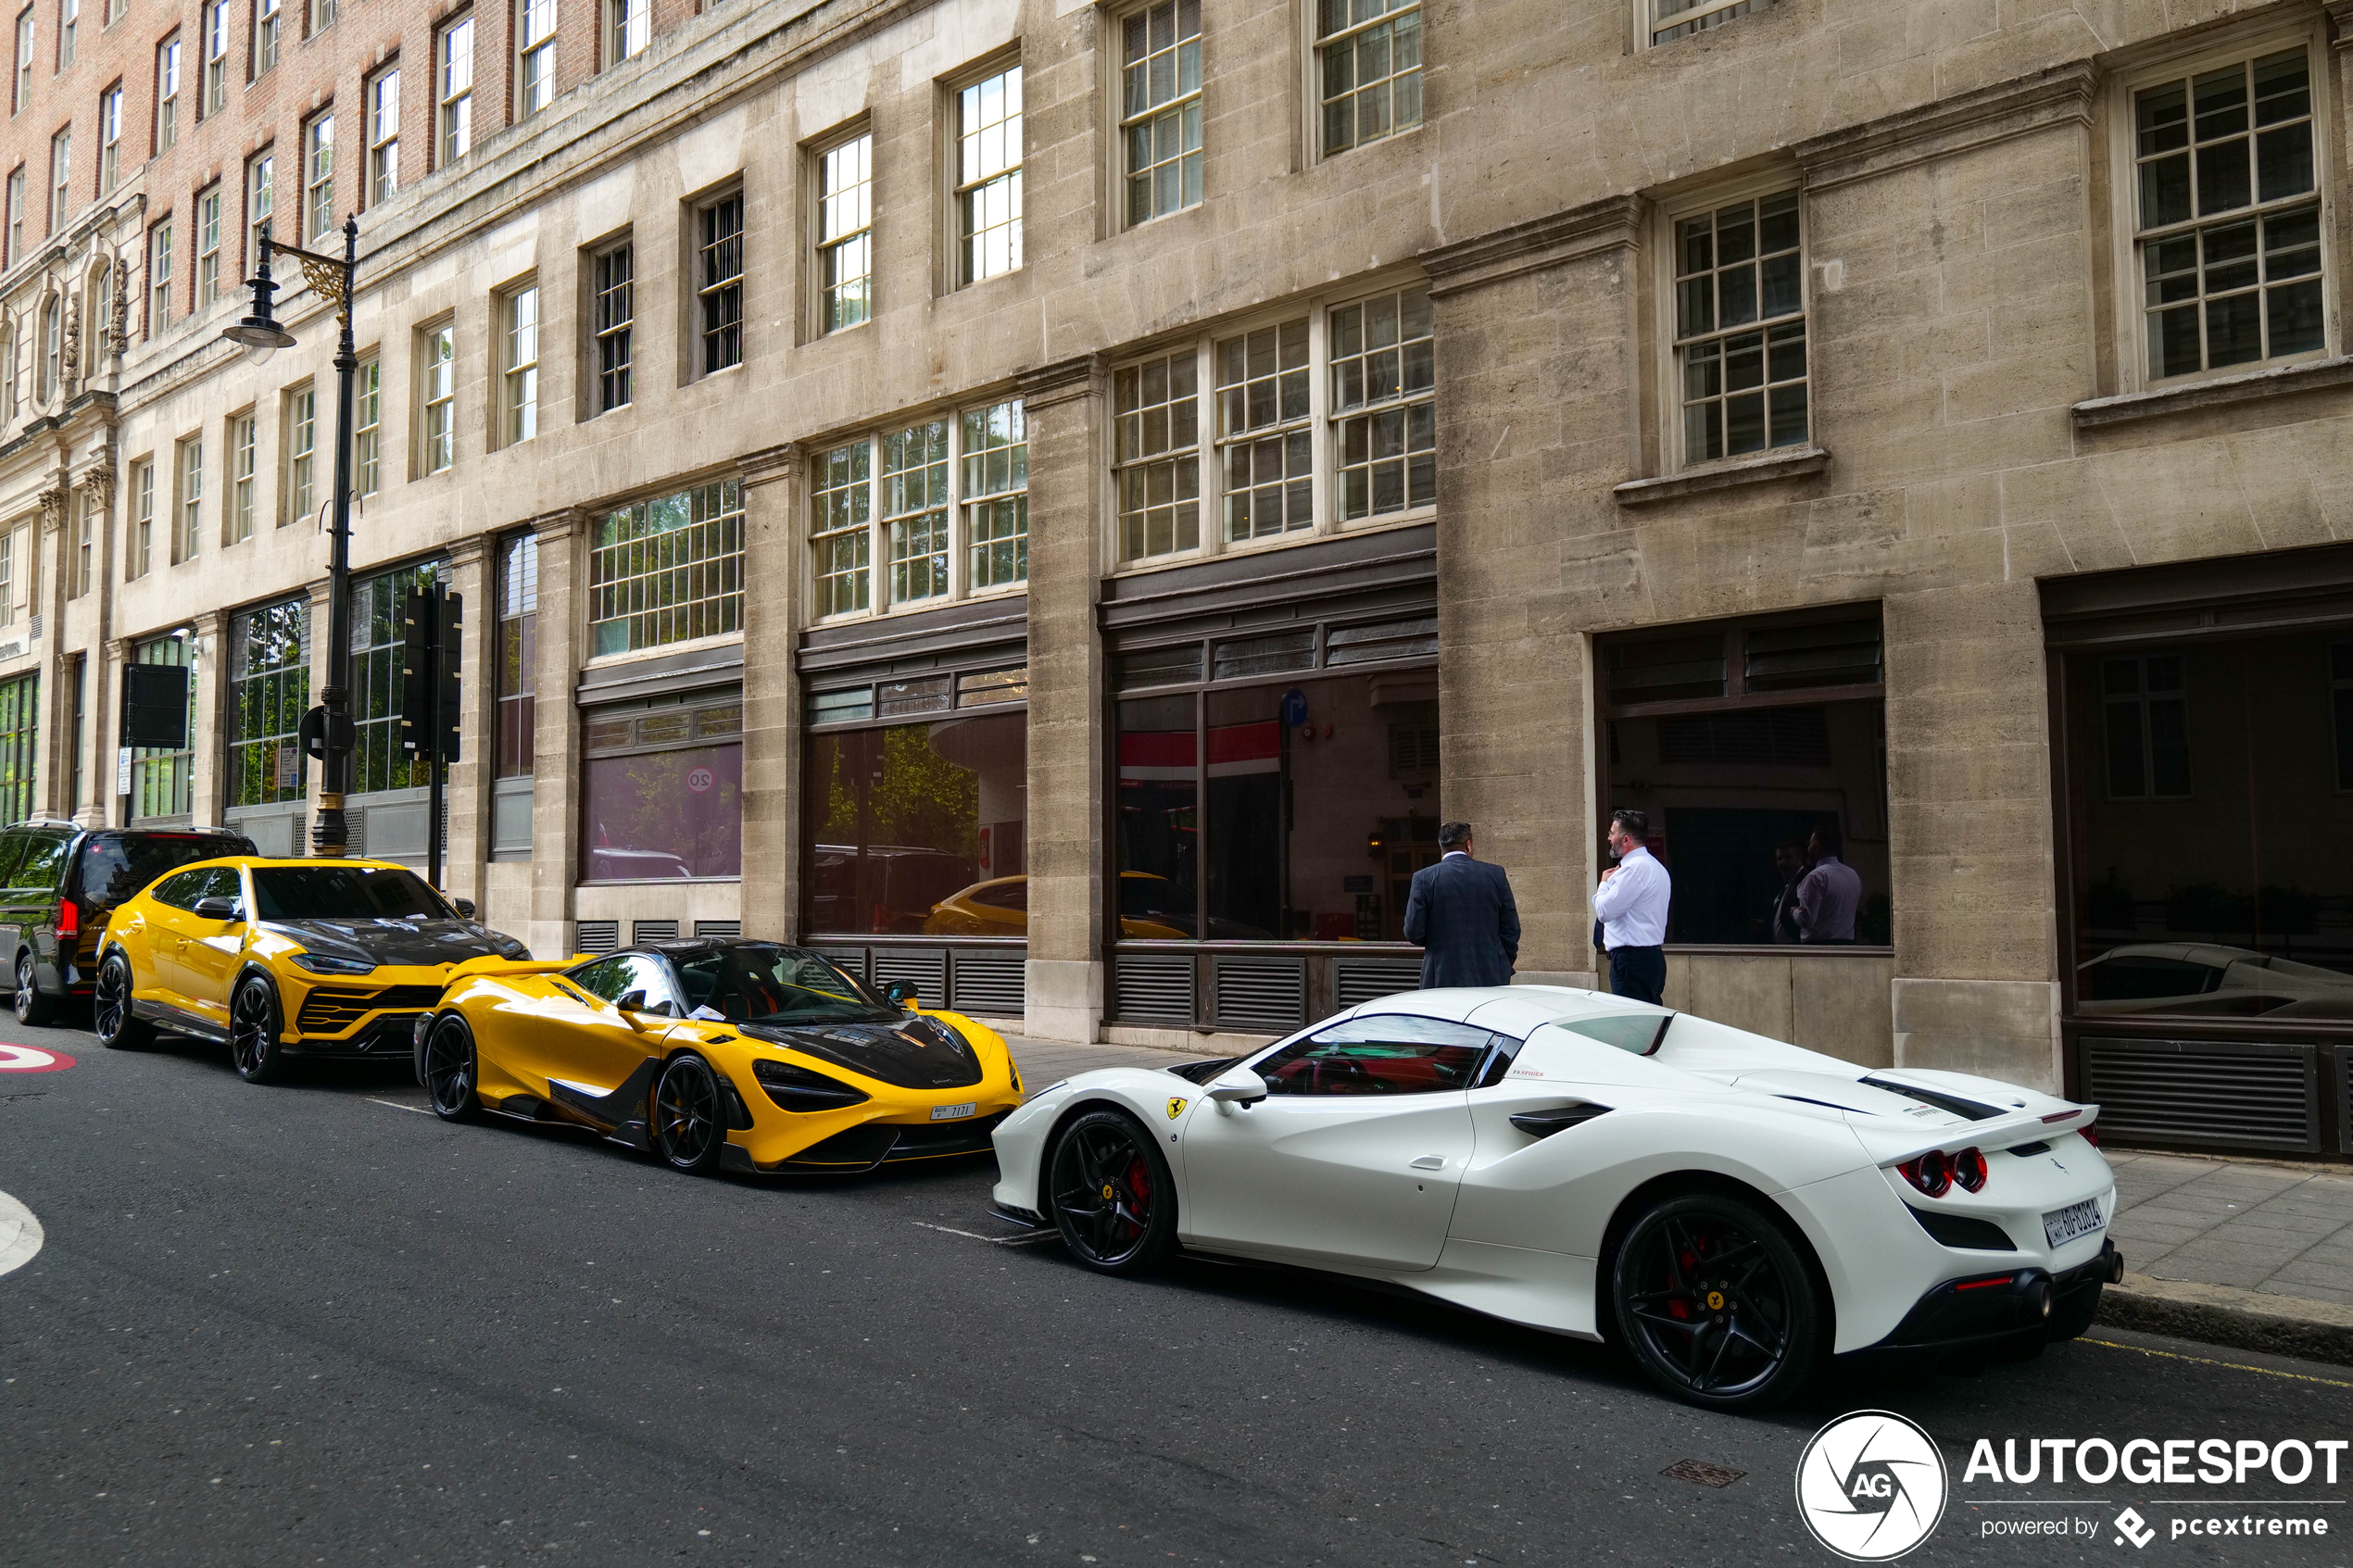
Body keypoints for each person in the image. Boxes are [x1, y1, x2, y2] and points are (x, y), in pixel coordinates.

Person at [1403, 821, 1521, 989]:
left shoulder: (1423, 878)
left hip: (1441, 973)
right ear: (1468, 845)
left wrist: (1437, 944)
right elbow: (1511, 928)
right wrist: (1500, 960)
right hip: (1491, 972)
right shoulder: (1495, 874)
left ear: (1441, 847)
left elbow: (1413, 931)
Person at [1592, 808, 1670, 1005]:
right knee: (1648, 1021)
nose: (1609, 838)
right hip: (1647, 957)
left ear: (1626, 840)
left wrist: (1603, 884)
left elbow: (1604, 912)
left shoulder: (1634, 870)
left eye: (1612, 833)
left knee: (1633, 1026)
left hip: (1632, 959)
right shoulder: (1655, 867)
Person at [1794, 822, 1863, 944]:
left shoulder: (1816, 877)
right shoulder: (1853, 875)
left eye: (1810, 843)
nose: (1808, 847)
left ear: (1817, 848)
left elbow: (1806, 920)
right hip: (1848, 945)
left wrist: (1793, 911)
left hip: (1820, 947)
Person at [1768, 840, 1807, 945]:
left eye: (1788, 857)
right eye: (1779, 859)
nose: (1783, 862)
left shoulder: (1806, 881)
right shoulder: (1786, 885)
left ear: (1799, 859)